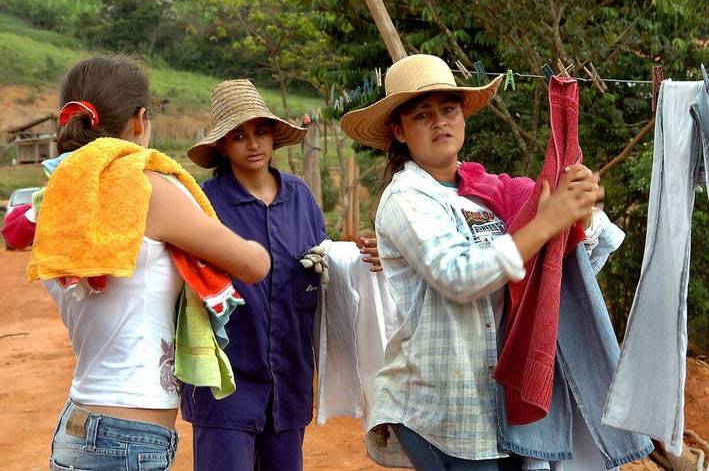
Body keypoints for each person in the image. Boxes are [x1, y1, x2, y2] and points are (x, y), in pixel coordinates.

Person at [340, 54, 611, 470]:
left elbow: (556, 269)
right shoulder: (406, 197)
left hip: (495, 403)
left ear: (463, 117)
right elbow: (461, 276)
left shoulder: (487, 191)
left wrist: (579, 212)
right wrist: (549, 220)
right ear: (399, 131)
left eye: (448, 109)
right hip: (443, 408)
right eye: (422, 115)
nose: (440, 122)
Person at [29, 56, 271, 471]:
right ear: (140, 121)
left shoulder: (57, 198)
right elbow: (253, 264)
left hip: (80, 423)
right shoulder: (147, 189)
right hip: (127, 437)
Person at [181, 79, 327, 471]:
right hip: (224, 379)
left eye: (260, 131)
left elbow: (322, 263)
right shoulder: (203, 204)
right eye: (239, 135)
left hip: (290, 372)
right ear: (222, 146)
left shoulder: (301, 197)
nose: (253, 144)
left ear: (274, 137)